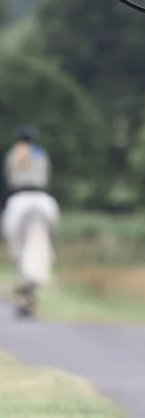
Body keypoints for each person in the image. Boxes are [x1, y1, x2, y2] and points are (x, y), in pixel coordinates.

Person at [2, 125, 59, 319]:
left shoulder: (13, 154)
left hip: (19, 196)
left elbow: (9, 177)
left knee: (18, 249)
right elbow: (46, 176)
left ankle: (23, 294)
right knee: (49, 235)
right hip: (42, 196)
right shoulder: (41, 154)